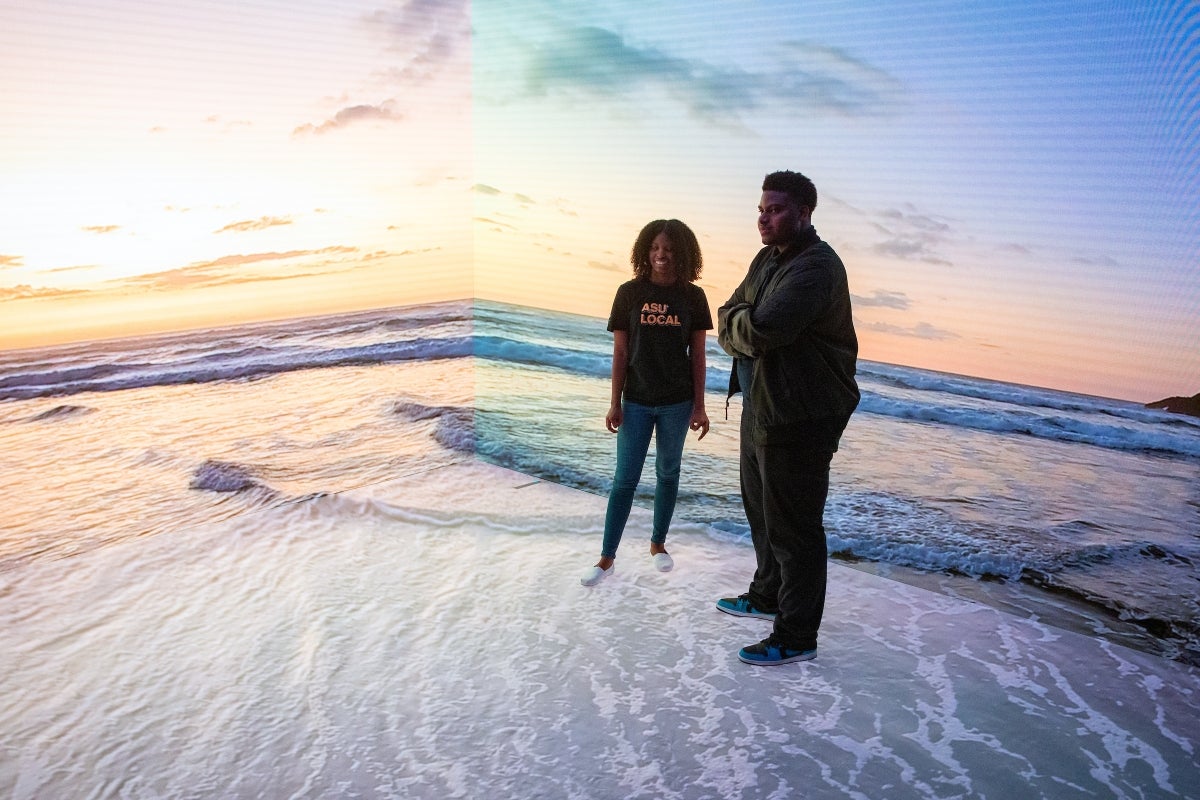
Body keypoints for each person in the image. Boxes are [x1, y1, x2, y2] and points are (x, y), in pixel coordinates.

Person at [715, 170, 859, 665]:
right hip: (762, 404)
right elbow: (729, 313)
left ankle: (796, 635)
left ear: (803, 213)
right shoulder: (766, 258)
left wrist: (740, 325)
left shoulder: (818, 266)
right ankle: (767, 593)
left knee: (794, 526)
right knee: (761, 510)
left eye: (775, 210)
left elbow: (761, 330)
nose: (764, 218)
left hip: (802, 413)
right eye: (760, 209)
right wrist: (740, 323)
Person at [581, 219, 712, 587]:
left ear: (683, 254)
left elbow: (698, 356)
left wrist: (699, 406)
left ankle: (658, 545)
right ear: (644, 251)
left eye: (669, 250)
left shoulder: (693, 297)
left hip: (677, 402)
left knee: (668, 474)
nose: (661, 255)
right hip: (636, 400)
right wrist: (614, 402)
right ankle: (606, 557)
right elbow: (621, 352)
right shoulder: (628, 293)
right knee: (625, 480)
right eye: (655, 248)